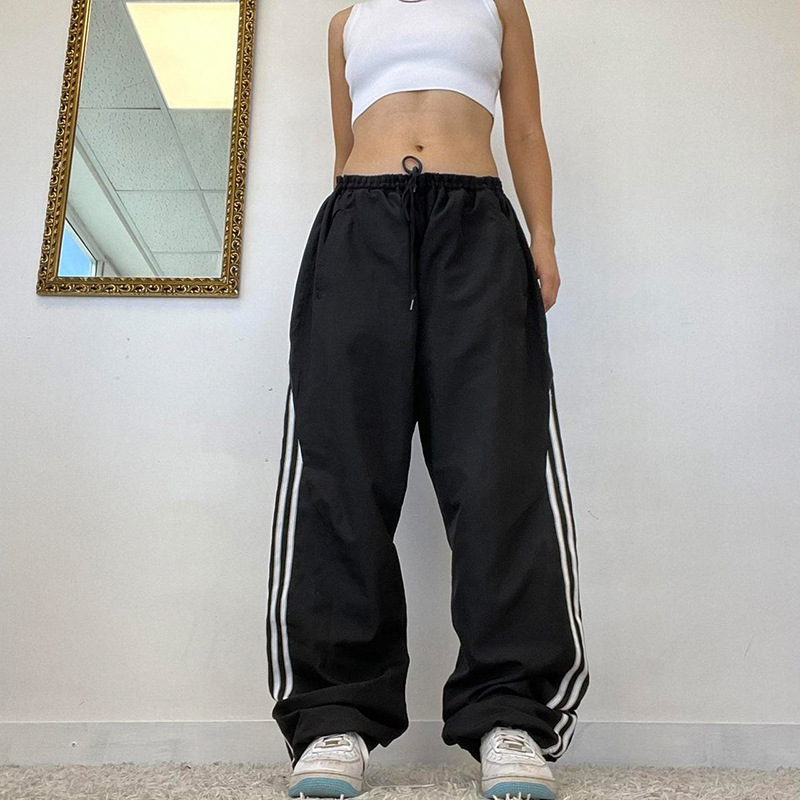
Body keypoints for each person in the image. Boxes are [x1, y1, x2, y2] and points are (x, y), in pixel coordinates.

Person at [266, 0, 589, 797]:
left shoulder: (497, 4)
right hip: (359, 226)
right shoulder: (347, 22)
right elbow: (343, 147)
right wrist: (351, 246)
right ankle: (335, 715)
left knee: (498, 471)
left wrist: (543, 237)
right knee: (342, 473)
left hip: (476, 226)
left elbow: (525, 130)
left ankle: (511, 716)